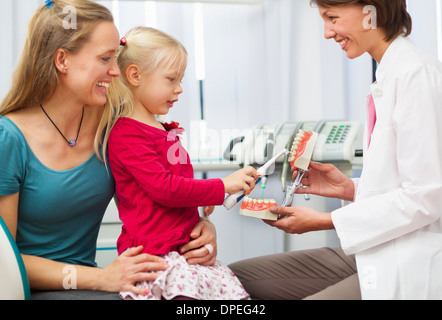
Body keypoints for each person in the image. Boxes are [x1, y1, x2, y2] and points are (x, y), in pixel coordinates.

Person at [0, 0, 219, 300]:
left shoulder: (113, 126)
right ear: (62, 60)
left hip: (97, 285)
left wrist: (201, 229)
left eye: (115, 57)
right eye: (105, 58)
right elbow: (4, 260)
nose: (116, 71)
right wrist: (101, 277)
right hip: (33, 289)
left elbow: (156, 199)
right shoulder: (9, 138)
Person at [229, 0, 442, 300]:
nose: (327, 33)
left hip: (407, 258)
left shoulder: (417, 75)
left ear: (372, 12)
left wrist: (325, 221)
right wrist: (349, 188)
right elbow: (402, 182)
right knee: (234, 277)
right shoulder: (388, 75)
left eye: (332, 18)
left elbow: (426, 198)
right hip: (376, 246)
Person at [106, 26, 258, 300]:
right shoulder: (126, 133)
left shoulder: (164, 129)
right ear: (135, 76)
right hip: (156, 255)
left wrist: (200, 197)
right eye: (171, 79)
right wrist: (220, 186)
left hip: (180, 249)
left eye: (181, 80)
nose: (179, 89)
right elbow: (164, 189)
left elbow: (179, 182)